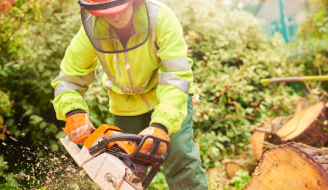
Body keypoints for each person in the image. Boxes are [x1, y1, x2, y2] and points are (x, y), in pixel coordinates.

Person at [51, 0, 208, 189]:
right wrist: (72, 110)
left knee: (179, 156)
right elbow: (69, 78)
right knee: (124, 169)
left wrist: (161, 125)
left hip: (167, 99)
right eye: (105, 11)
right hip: (125, 105)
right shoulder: (91, 28)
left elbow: (176, 75)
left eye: (119, 9)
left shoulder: (160, 17)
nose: (114, 15)